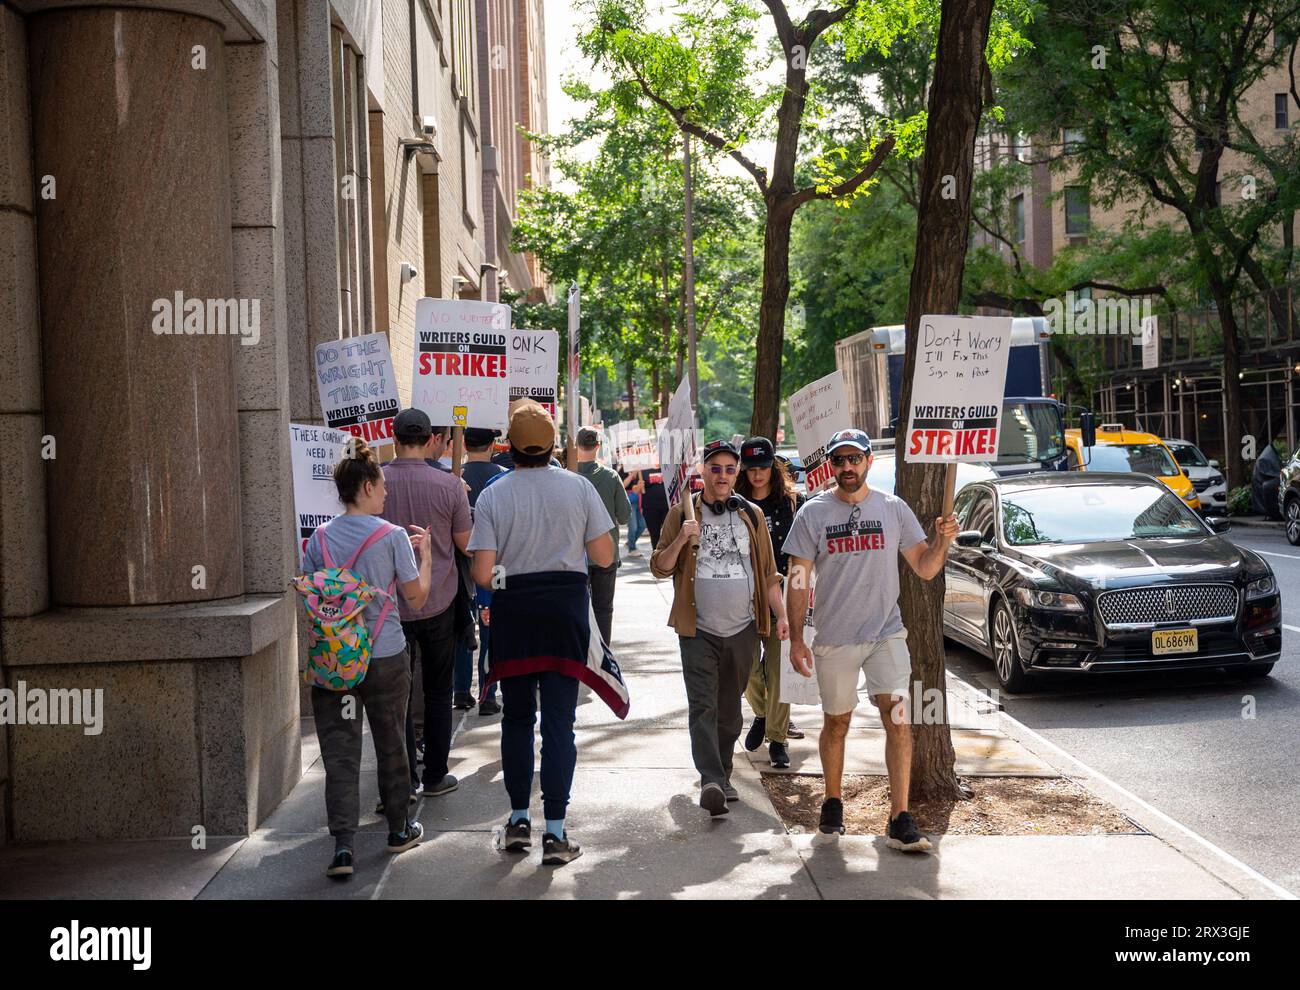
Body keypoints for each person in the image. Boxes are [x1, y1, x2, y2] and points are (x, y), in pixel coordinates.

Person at [783, 428, 958, 851]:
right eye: (839, 460)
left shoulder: (893, 508)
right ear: (832, 466)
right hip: (835, 637)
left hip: (886, 632)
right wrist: (796, 639)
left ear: (867, 462)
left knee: (898, 718)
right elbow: (799, 577)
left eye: (854, 459)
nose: (847, 467)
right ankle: (833, 803)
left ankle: (900, 817)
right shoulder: (813, 513)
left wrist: (943, 540)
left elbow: (926, 568)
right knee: (837, 722)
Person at [468, 401, 626, 866]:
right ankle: (555, 832)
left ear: (508, 447)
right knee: (560, 723)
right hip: (565, 613)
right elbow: (603, 557)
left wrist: (510, 575)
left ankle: (518, 820)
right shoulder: (579, 488)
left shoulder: (494, 494)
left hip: (516, 613)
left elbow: (482, 573)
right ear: (554, 445)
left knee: (516, 719)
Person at [300, 438, 432, 878]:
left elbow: (314, 594)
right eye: (382, 485)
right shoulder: (393, 537)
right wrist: (426, 557)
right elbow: (414, 597)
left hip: (336, 662)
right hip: (385, 655)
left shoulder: (318, 538)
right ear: (369, 486)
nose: (387, 493)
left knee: (339, 755)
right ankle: (398, 830)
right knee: (391, 741)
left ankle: (342, 848)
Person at [650, 439, 788, 817]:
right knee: (703, 706)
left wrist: (783, 617)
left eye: (730, 469)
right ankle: (710, 778)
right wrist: (682, 538)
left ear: (737, 473)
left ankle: (723, 773)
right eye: (716, 468)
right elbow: (659, 566)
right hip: (697, 630)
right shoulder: (683, 513)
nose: (723, 475)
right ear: (703, 472)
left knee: (730, 712)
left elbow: (768, 574)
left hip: (743, 629)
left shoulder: (751, 515)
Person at [381, 408, 473, 801]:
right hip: (439, 601)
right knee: (438, 692)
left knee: (394, 698)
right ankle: (435, 773)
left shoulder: (375, 481)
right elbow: (467, 544)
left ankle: (402, 782)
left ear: (395, 435)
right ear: (431, 437)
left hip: (389, 606)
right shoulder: (450, 485)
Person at [734, 436, 805, 769]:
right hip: (743, 597)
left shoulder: (793, 503)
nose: (757, 474)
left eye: (763, 467)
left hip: (784, 597)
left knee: (779, 671)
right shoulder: (734, 503)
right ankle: (762, 713)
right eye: (750, 469)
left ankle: (777, 739)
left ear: (773, 467)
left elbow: (808, 551)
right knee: (746, 667)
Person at [453, 427, 507, 714]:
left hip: (459, 567)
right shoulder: (502, 477)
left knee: (463, 629)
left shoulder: (454, 476)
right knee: (490, 631)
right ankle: (488, 692)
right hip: (493, 565)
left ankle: (461, 690)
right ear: (492, 444)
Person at [575, 426, 631, 646]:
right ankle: (603, 655)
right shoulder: (611, 476)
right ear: (598, 447)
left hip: (575, 554)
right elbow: (625, 515)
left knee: (577, 607)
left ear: (577, 446)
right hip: (606, 552)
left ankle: (580, 651)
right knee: (604, 609)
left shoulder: (568, 475)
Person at [641, 467, 669, 547]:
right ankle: (656, 557)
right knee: (654, 536)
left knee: (669, 535)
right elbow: (636, 490)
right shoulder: (644, 469)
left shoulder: (669, 467)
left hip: (668, 507)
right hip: (650, 508)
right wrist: (639, 486)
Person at [623, 467, 647, 556]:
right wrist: (632, 474)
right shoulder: (623, 470)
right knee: (633, 526)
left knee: (642, 525)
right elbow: (622, 485)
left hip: (639, 500)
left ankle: (630, 542)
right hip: (629, 500)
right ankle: (632, 548)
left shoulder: (642, 470)